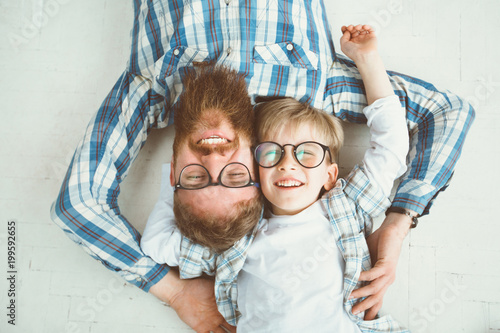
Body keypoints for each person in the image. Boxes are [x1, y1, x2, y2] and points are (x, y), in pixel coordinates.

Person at [50, 1, 474, 331]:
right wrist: (397, 224)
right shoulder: (309, 104)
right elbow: (436, 117)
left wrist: (174, 292)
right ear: (258, 180)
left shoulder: (149, 88)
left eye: (195, 176)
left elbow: (82, 208)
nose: (214, 157)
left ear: (174, 168)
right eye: (237, 175)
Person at [141, 24, 410, 332]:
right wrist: (177, 174)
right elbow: (156, 244)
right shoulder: (237, 239)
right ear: (255, 172)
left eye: (307, 154)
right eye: (271, 154)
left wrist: (367, 60)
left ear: (330, 175)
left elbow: (392, 146)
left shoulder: (347, 206)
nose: (287, 164)